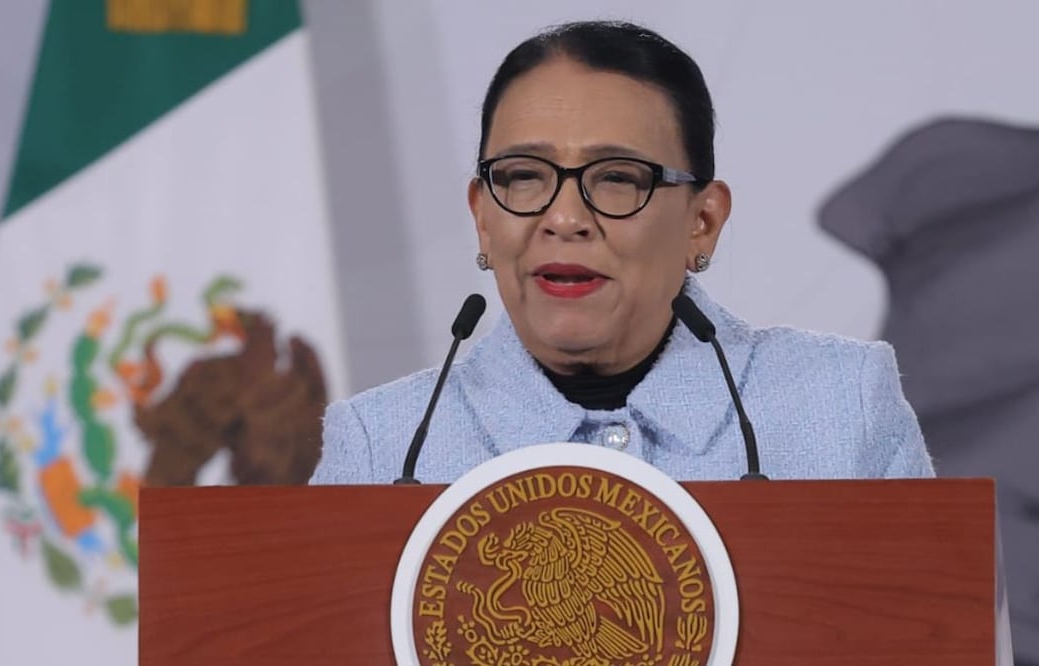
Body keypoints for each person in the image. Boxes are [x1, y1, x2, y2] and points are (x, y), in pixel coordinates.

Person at [310, 20, 934, 485]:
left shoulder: (840, 402)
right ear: (482, 216)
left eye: (616, 178)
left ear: (704, 220)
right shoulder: (384, 446)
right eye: (524, 175)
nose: (564, 218)